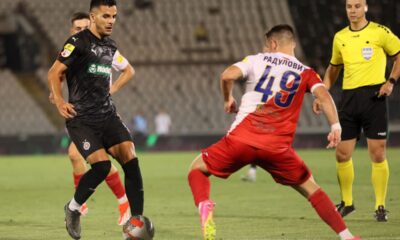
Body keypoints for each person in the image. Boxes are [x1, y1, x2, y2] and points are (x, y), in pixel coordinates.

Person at [187, 24, 361, 240]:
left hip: (240, 141)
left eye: (266, 44)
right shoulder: (306, 72)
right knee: (311, 188)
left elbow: (226, 75)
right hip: (277, 149)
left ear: (273, 43)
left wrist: (227, 99)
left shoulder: (256, 60)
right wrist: (335, 126)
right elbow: (324, 96)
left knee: (197, 169)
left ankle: (204, 205)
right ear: (294, 44)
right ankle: (347, 236)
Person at [48, 1, 145, 239]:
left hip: (108, 115)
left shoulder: (110, 45)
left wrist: (110, 93)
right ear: (93, 17)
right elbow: (54, 72)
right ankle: (73, 209)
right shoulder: (76, 42)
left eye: (114, 16)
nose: (111, 21)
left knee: (131, 159)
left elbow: (128, 70)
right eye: (106, 16)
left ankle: (136, 222)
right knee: (101, 167)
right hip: (82, 119)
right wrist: (60, 101)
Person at [313, 0, 400, 221]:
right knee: (342, 154)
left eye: (357, 6)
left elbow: (399, 55)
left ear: (366, 8)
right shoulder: (340, 37)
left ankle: (380, 206)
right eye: (349, 6)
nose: (353, 10)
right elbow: (334, 67)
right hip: (349, 99)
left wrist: (390, 81)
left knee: (377, 153)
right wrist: (321, 94)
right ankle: (347, 203)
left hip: (374, 98)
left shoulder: (380, 32)